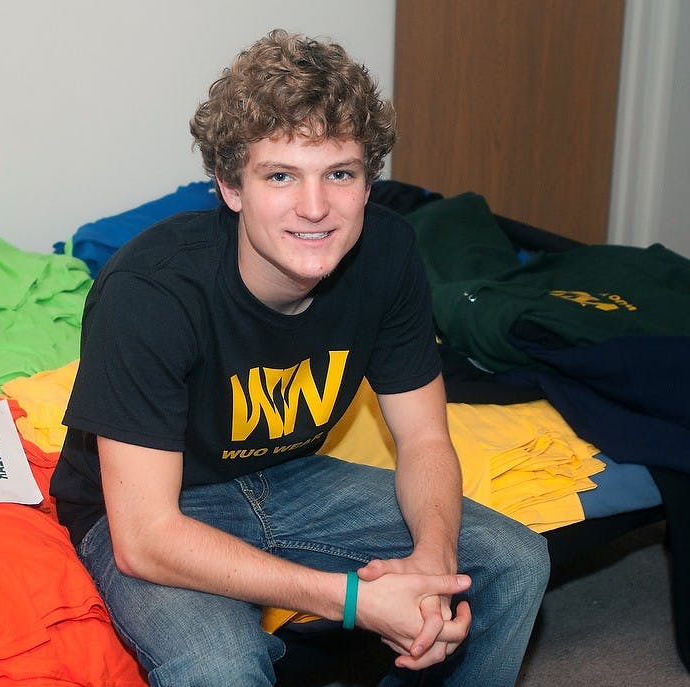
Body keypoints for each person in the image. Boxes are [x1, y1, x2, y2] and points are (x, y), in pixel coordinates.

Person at [49, 28, 550, 686]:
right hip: (152, 507)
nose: (316, 208)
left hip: (286, 477)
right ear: (231, 186)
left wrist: (431, 563)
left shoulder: (390, 254)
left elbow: (425, 435)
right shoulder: (149, 292)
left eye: (339, 173)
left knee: (516, 558)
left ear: (368, 181)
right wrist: (354, 601)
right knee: (221, 666)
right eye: (281, 175)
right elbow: (145, 538)